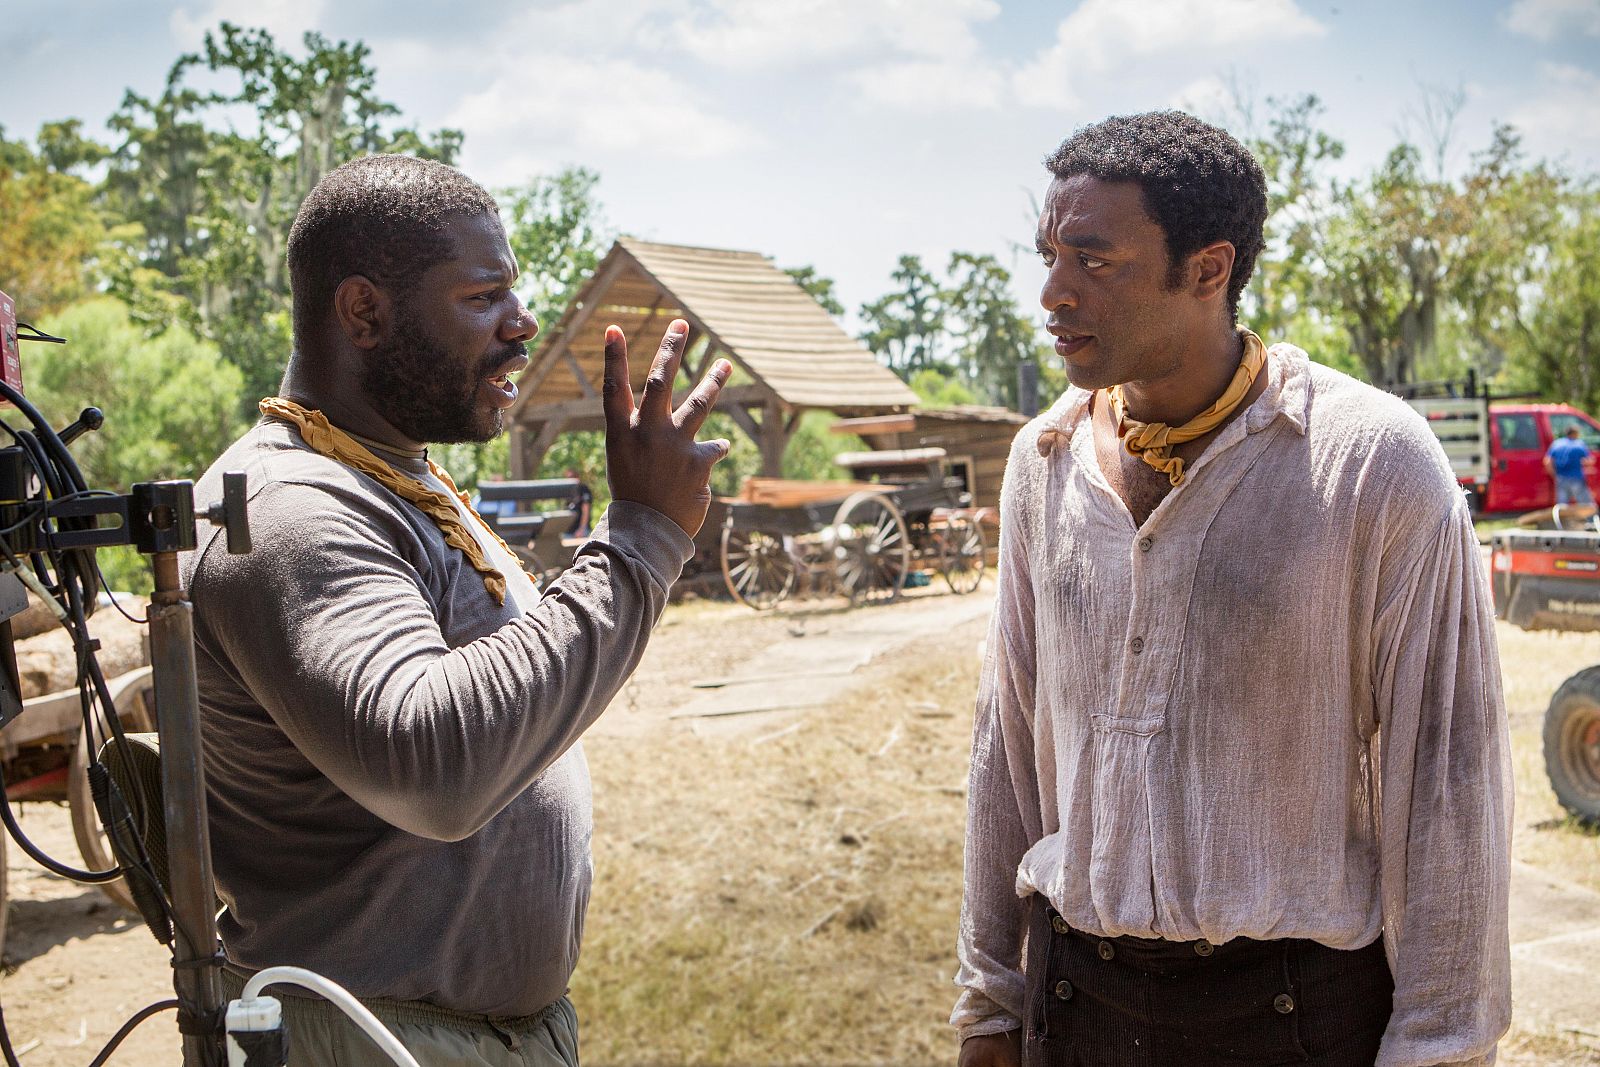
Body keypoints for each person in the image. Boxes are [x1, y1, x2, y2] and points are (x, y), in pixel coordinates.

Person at [953, 112, 1511, 1067]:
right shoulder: (1041, 461)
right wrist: (992, 1003)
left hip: (1295, 1015)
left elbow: (1448, 777)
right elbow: (1006, 737)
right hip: (1074, 1001)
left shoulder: (1370, 464)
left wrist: (1440, 1045)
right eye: (1049, 254)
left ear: (1209, 269)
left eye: (1095, 260)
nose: (1053, 292)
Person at [182, 154, 731, 1065]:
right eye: (483, 298)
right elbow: (436, 762)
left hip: (466, 1035)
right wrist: (640, 539)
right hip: (365, 1035)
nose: (522, 326)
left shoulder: (401, 476)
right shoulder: (284, 507)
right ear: (364, 312)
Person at [1546, 424, 1595, 505]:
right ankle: (1591, 517)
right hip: (1576, 478)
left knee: (1562, 505)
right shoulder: (1579, 444)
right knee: (1586, 504)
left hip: (1561, 478)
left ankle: (1561, 518)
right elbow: (1589, 461)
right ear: (1575, 433)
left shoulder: (1556, 443)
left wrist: (1555, 475)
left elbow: (1547, 462)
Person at [565, 467, 594, 537]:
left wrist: (582, 529)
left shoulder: (583, 489)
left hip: (581, 529)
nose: (569, 480)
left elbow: (585, 510)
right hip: (568, 530)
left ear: (577, 477)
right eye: (567, 478)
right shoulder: (568, 491)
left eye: (572, 477)